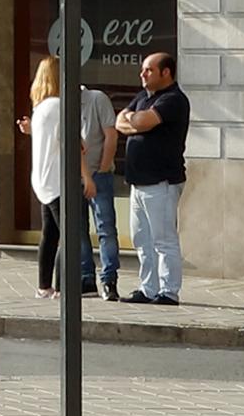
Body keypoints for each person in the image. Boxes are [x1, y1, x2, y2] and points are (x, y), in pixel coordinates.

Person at [25, 52, 111, 296]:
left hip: (43, 181)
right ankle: (64, 288)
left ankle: (44, 286)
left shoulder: (40, 109)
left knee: (50, 235)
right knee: (70, 236)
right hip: (61, 180)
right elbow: (72, 145)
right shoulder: (62, 107)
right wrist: (87, 177)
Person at [110, 46, 192, 303]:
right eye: (143, 69)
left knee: (163, 239)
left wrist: (136, 122)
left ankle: (169, 292)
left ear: (165, 72)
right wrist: (135, 120)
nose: (142, 74)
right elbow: (119, 122)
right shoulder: (143, 97)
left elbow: (142, 122)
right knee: (141, 239)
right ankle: (148, 289)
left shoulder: (173, 99)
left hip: (161, 181)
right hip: (138, 182)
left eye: (149, 70)